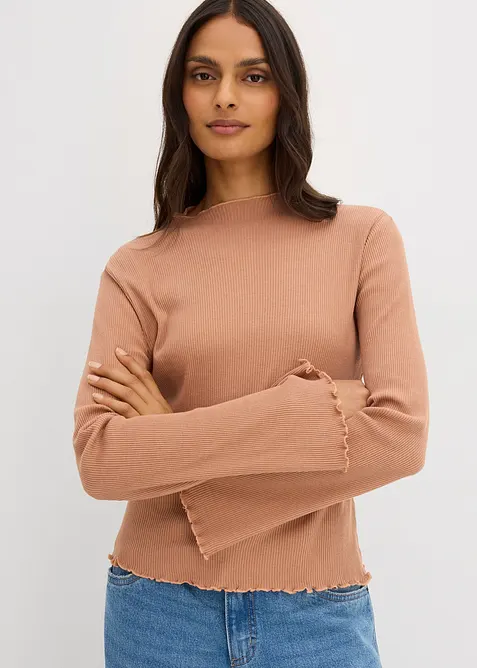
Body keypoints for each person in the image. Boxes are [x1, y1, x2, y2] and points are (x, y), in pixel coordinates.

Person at [73, 1, 429, 666]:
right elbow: (101, 461)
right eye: (204, 74)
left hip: (316, 612)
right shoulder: (137, 267)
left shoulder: (362, 239)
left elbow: (400, 438)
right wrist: (298, 412)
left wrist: (170, 434)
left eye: (254, 76)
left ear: (286, 93)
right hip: (157, 610)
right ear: (179, 95)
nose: (226, 97)